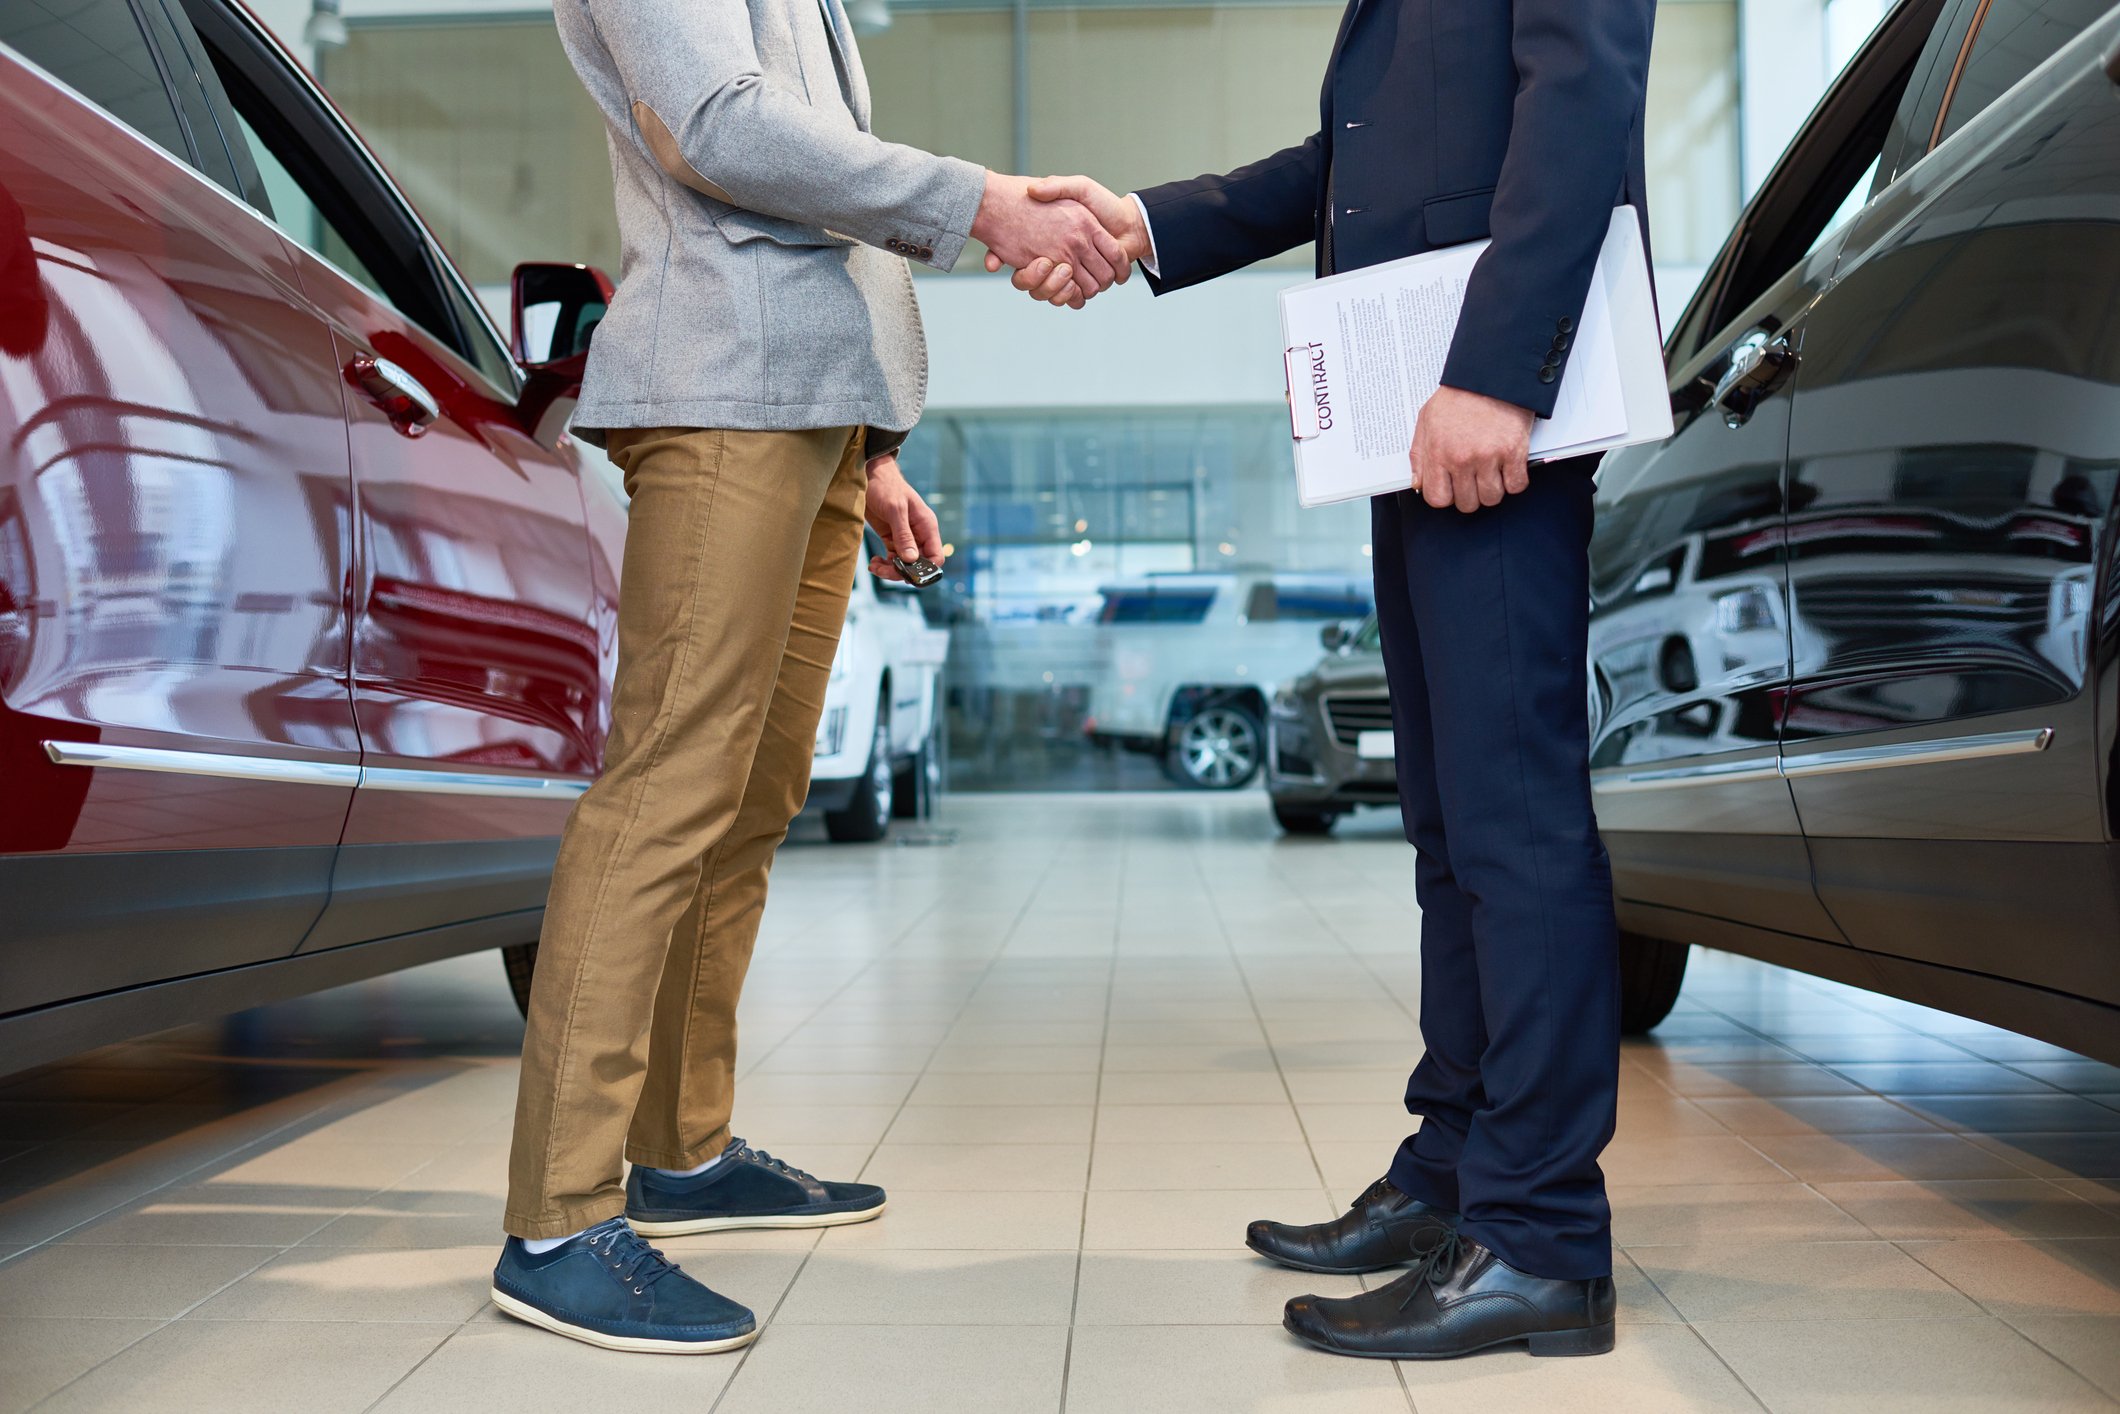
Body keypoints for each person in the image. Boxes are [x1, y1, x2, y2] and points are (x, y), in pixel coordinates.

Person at [998, 0, 1656, 1362]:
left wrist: (1495, 373)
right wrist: (1146, 223)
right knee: (1447, 816)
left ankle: (1540, 1236)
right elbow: (1362, 150)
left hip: (1485, 402)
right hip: (1415, 399)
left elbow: (1583, 93)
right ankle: (1457, 1175)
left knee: (1512, 816)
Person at [492, 0, 1132, 1356]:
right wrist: (980, 205)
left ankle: (681, 1146)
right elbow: (721, 128)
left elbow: (815, 173)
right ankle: (555, 1216)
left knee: (754, 794)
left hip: (816, 411)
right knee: (667, 790)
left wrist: (875, 448)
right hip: (723, 391)